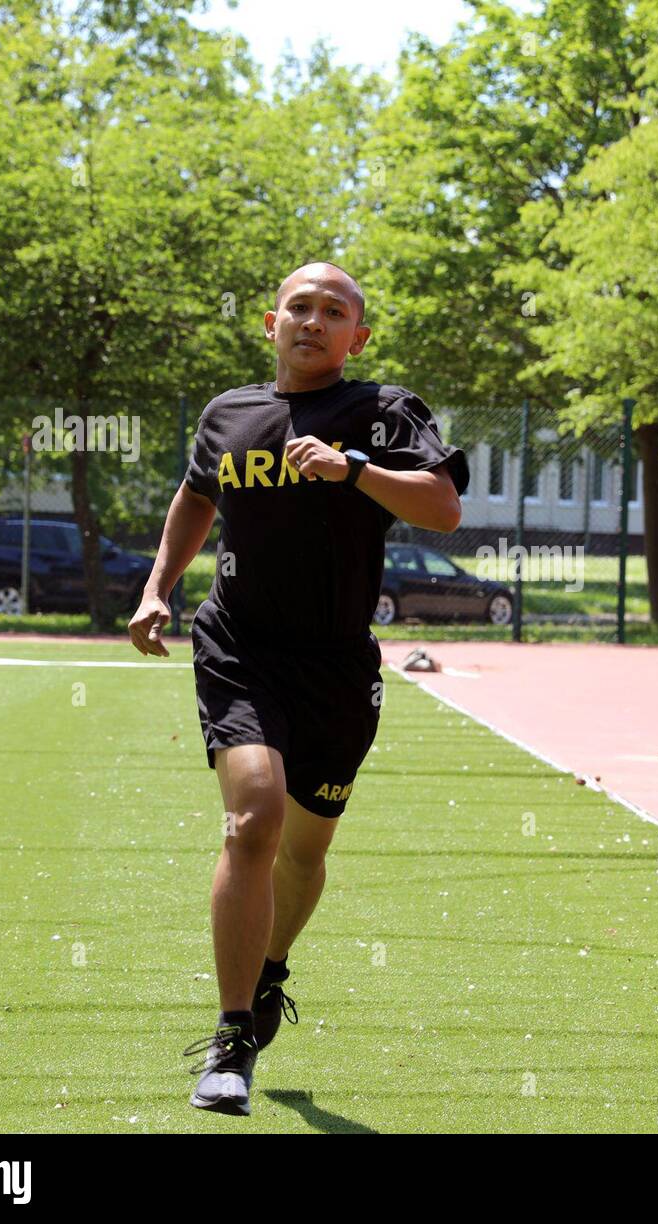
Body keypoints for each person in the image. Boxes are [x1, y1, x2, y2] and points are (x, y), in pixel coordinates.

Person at [128, 261, 467, 1115]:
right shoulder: (228, 415)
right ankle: (234, 1037)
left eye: (335, 312)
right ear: (270, 324)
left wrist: (352, 468)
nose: (315, 321)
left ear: (359, 335)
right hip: (238, 646)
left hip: (337, 670)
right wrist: (157, 588)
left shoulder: (382, 411)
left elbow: (442, 508)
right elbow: (194, 497)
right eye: (301, 308)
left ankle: (272, 970)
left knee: (305, 852)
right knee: (254, 816)